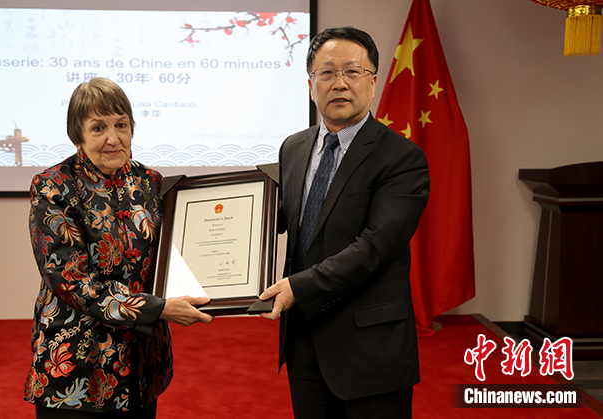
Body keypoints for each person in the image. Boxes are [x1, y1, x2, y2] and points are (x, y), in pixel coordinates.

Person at [260, 27, 430, 418]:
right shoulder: (294, 147)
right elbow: (283, 220)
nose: (339, 83)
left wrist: (299, 287)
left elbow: (375, 247)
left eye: (352, 72)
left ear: (373, 83)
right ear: (311, 85)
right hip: (304, 340)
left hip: (369, 347)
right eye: (326, 73)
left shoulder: (401, 158)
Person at [23, 77, 213, 418]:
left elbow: (174, 254)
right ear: (78, 135)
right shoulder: (54, 187)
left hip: (142, 365)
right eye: (99, 128)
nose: (113, 138)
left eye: (121, 125)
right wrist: (156, 309)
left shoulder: (150, 182)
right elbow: (71, 280)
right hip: (78, 367)